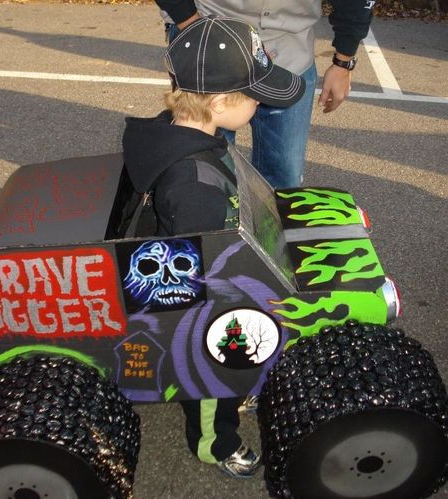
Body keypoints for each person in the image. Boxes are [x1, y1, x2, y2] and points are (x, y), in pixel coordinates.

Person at [122, 16, 304, 478]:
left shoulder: (183, 133)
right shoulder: (194, 185)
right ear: (222, 101)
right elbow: (200, 282)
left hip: (193, 252)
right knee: (216, 365)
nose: (260, 105)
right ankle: (213, 441)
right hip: (188, 299)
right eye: (255, 97)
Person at [154, 0, 375, 188]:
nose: (258, 99)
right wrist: (194, 25)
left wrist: (344, 60)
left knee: (284, 177)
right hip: (209, 32)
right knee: (202, 172)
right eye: (254, 96)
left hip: (289, 43)